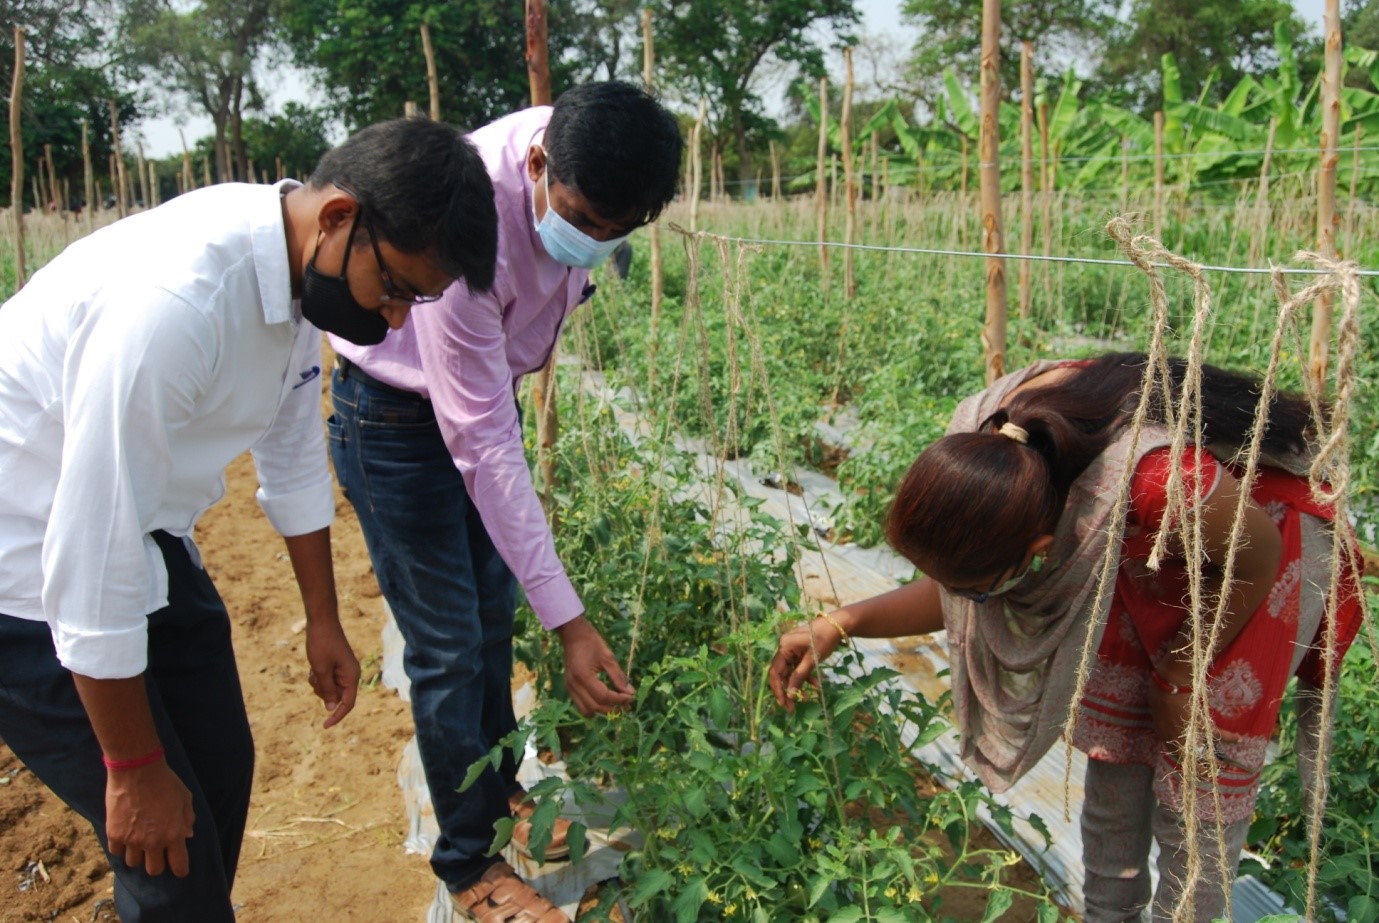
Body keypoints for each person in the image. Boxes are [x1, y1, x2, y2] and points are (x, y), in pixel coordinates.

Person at [0, 118, 498, 923]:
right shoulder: (175, 305)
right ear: (338, 217)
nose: (397, 321)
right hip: (25, 562)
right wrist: (131, 767)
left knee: (220, 770)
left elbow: (291, 450)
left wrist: (322, 617)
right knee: (168, 856)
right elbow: (89, 551)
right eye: (396, 288)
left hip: (146, 529)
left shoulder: (293, 266)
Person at [768, 352, 1364, 922]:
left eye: (977, 591)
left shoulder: (1156, 480)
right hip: (1155, 543)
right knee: (1118, 746)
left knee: (1196, 779)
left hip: (1257, 549)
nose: (965, 602)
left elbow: (1253, 554)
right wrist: (839, 623)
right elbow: (957, 587)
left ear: (1043, 549)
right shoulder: (997, 443)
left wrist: (1180, 676)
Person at [327, 81, 681, 921]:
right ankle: (469, 864)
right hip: (393, 418)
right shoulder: (463, 228)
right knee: (447, 646)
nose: (593, 241)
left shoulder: (588, 161)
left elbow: (493, 415)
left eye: (617, 229)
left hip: (483, 396)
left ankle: (500, 790)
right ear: (537, 163)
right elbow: (483, 444)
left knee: (491, 615)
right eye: (582, 219)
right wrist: (571, 622)